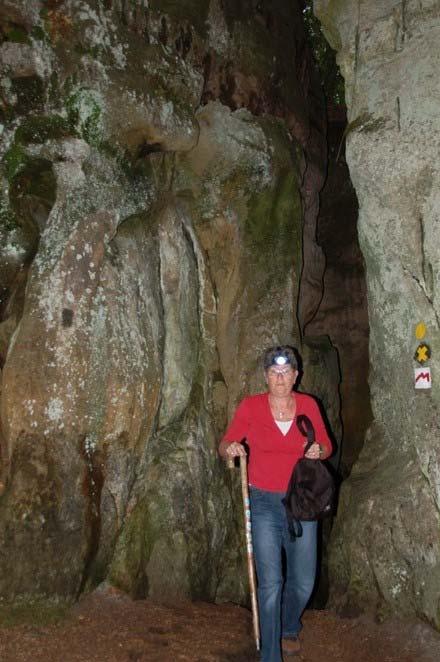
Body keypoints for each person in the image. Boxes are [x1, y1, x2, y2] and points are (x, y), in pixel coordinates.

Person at [219, 345, 332, 661]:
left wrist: (318, 449)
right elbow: (226, 442)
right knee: (271, 583)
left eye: (286, 372)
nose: (280, 378)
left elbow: (327, 446)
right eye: (273, 372)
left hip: (302, 502)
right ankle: (271, 655)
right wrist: (231, 449)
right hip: (264, 502)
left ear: (296, 376)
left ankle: (287, 625)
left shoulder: (309, 405)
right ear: (266, 377)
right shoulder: (251, 407)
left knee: (304, 581)